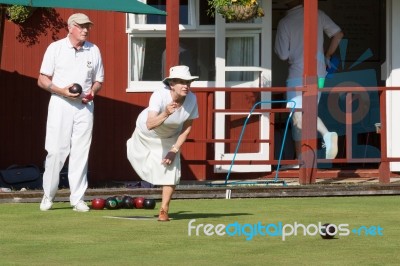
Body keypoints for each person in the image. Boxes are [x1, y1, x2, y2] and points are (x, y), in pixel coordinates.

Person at [37, 13, 104, 212]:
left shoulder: (94, 50)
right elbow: (42, 79)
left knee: (81, 152)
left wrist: (92, 93)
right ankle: (48, 195)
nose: (85, 30)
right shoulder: (55, 48)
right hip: (60, 104)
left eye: (87, 27)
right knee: (56, 151)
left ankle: (78, 199)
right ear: (70, 27)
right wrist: (62, 91)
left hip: (84, 107)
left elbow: (98, 80)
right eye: (82, 26)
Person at [127, 65, 199, 221]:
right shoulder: (159, 95)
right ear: (172, 84)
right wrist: (166, 113)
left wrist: (174, 150)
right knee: (137, 159)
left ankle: (164, 209)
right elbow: (150, 124)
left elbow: (186, 129)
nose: (186, 86)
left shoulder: (192, 99)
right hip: (146, 133)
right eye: (181, 82)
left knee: (171, 172)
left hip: (169, 137)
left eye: (188, 82)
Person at [274, 0, 344, 161]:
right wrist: (327, 55)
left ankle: (324, 137)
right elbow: (338, 34)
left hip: (297, 76)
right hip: (319, 75)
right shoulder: (318, 14)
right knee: (306, 112)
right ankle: (303, 161)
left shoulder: (285, 22)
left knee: (298, 114)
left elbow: (283, 54)